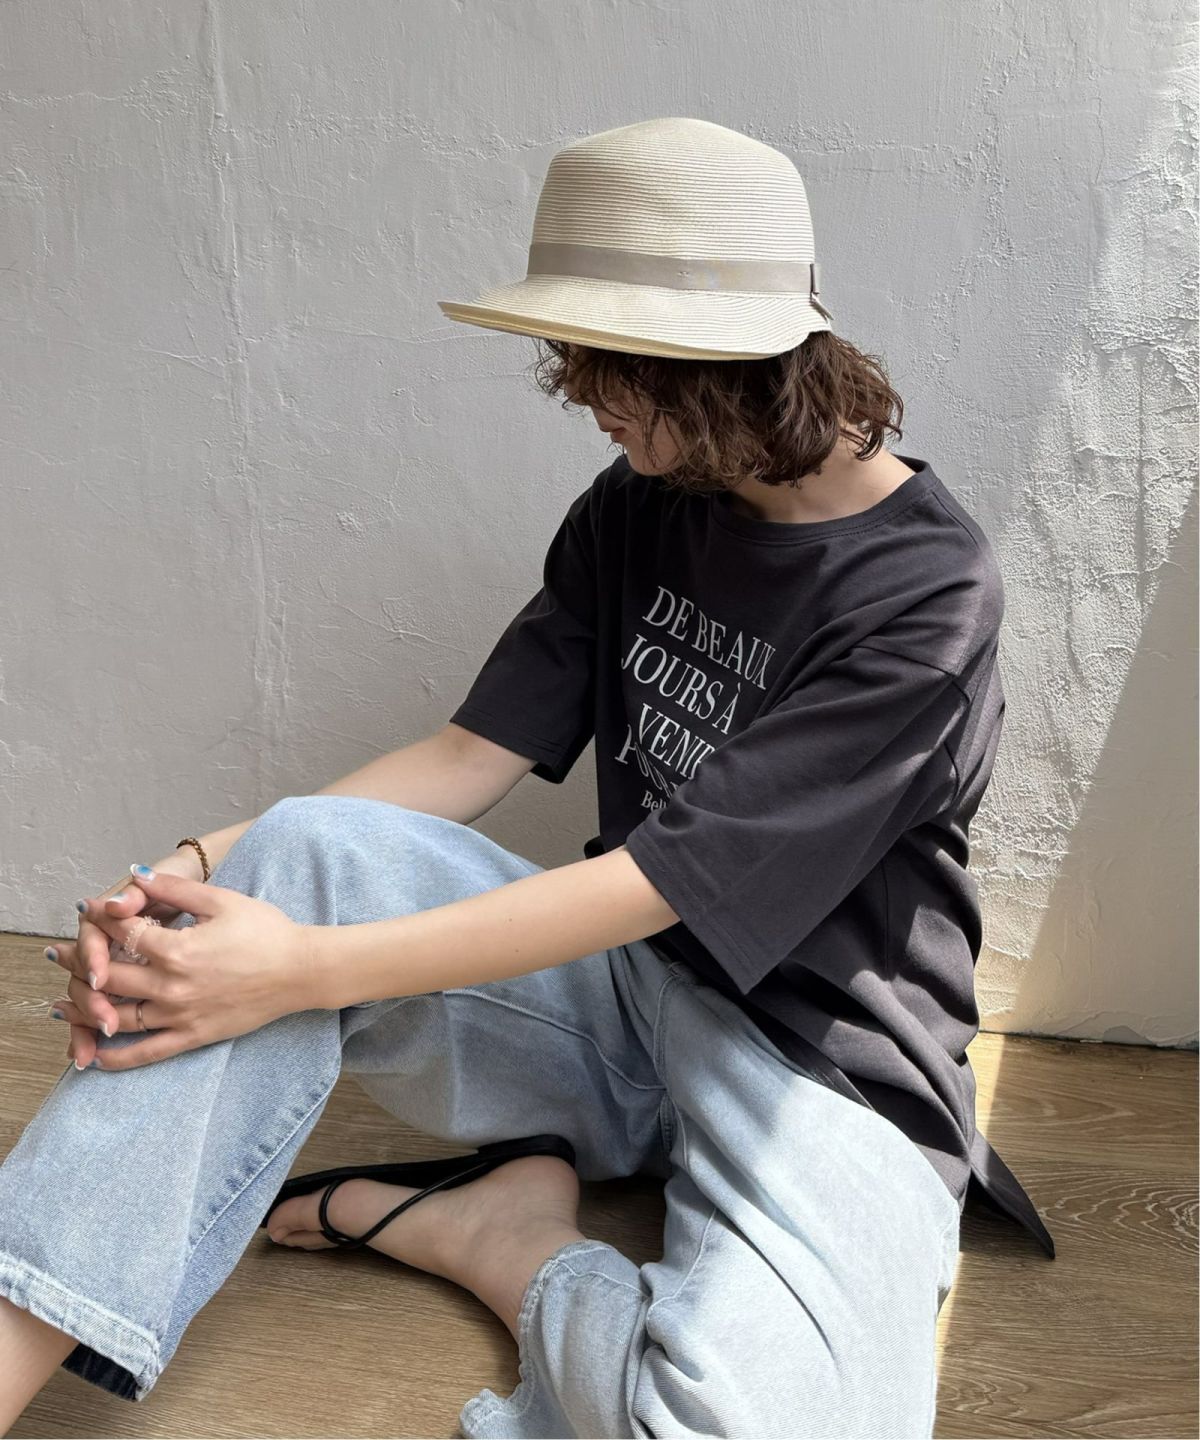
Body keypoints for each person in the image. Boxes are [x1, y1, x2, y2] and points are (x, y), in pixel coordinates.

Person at [0, 116, 1053, 1439]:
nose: (587, 397)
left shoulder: (926, 598)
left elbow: (658, 880)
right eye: (576, 359)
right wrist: (189, 875)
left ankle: (503, 1240)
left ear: (723, 362)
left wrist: (301, 970)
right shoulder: (642, 504)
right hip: (623, 1005)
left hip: (822, 1070)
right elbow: (467, 757)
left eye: (613, 365)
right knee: (294, 857)